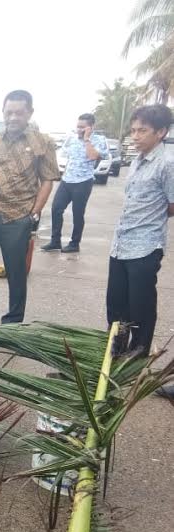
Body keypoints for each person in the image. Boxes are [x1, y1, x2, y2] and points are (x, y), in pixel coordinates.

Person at [0, 90, 59, 325]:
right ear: (3, 112)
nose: (13, 117)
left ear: (29, 112)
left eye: (19, 112)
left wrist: (34, 213)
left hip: (17, 218)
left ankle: (13, 323)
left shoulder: (43, 143)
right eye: (8, 112)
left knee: (16, 274)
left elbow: (47, 180)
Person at [107, 103, 173, 359]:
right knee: (116, 304)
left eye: (142, 130)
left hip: (146, 247)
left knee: (140, 306)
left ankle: (139, 351)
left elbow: (172, 203)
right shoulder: (136, 161)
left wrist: (152, 217)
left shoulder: (167, 164)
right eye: (133, 130)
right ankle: (116, 349)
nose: (135, 136)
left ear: (161, 132)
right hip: (121, 245)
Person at [42, 113, 109, 253]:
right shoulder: (71, 138)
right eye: (78, 127)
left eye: (83, 127)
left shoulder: (99, 140)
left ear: (91, 127)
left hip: (83, 182)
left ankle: (74, 243)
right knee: (56, 208)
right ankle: (55, 241)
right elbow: (67, 156)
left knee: (77, 213)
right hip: (67, 180)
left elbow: (92, 156)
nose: (79, 130)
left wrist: (86, 139)